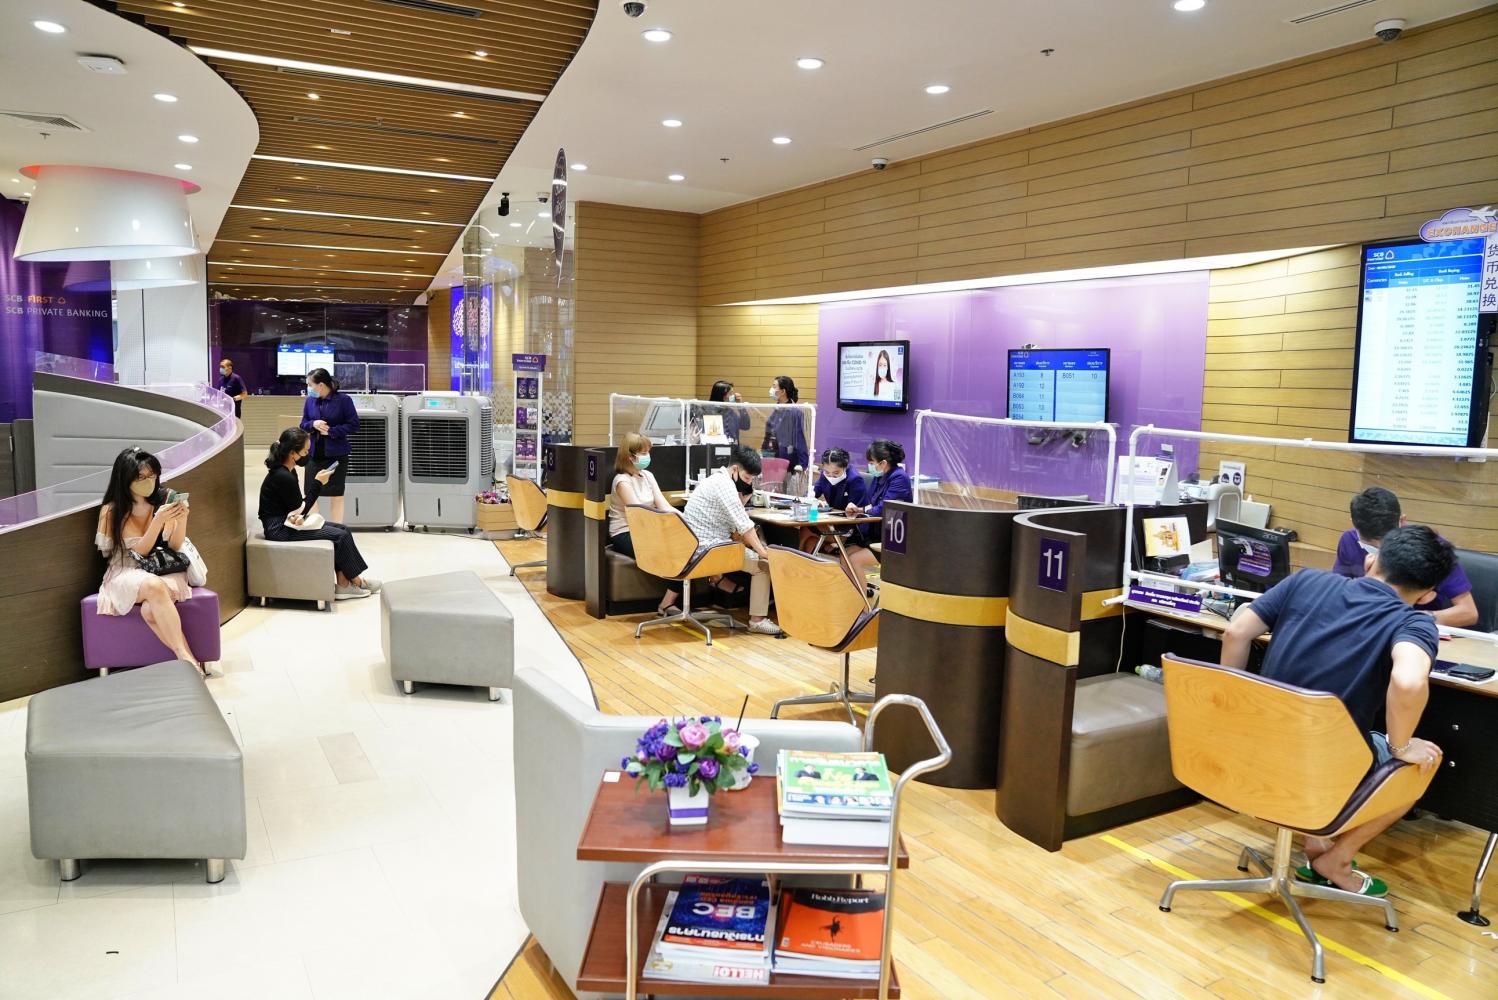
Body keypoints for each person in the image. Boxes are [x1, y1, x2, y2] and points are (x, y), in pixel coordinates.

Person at [1221, 525, 1454, 897]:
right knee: (1423, 762)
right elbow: (1409, 683)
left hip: (1251, 752)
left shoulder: (1305, 582)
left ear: (1370, 560)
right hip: (1321, 772)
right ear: (1427, 596)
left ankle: (1314, 841)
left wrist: (1232, 708)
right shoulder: (1414, 621)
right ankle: (1338, 859)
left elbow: (1236, 633)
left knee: (1324, 745)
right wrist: (1401, 746)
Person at [95, 447, 202, 671]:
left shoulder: (164, 498)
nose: (148, 481)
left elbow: (174, 545)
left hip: (162, 567)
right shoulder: (112, 510)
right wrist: (157, 521)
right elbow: (138, 553)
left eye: (152, 476)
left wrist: (182, 519)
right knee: (153, 587)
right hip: (125, 570)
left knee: (149, 610)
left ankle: (187, 661)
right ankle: (187, 660)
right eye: (141, 477)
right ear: (125, 478)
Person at [669, 443, 782, 635]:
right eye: (747, 477)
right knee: (763, 566)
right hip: (708, 550)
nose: (747, 482)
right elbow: (745, 526)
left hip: (694, 546)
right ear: (735, 469)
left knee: (756, 554)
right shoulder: (725, 486)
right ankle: (757, 620)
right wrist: (764, 553)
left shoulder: (714, 480)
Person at [260, 427, 380, 601]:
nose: (308, 454)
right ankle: (353, 583)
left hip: (287, 521)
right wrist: (318, 483)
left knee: (342, 529)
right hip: (279, 529)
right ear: (293, 453)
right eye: (305, 451)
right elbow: (302, 507)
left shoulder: (287, 471)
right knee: (339, 536)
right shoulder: (283, 476)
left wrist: (296, 514)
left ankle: (348, 583)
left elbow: (293, 507)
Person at [1331, 486, 1477, 628]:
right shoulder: (1349, 540)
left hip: (1413, 628)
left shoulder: (1433, 548)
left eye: (1387, 543)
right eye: (1371, 547)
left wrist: (1413, 619)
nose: (1379, 553)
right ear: (1355, 525)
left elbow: (1468, 612)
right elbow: (1339, 593)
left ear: (1403, 521)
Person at [843, 439, 914, 584]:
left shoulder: (899, 478)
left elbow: (884, 509)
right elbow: (872, 504)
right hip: (875, 534)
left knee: (854, 560)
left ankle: (864, 606)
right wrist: (859, 509)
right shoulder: (879, 477)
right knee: (845, 556)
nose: (870, 466)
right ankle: (852, 599)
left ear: (883, 463)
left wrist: (864, 510)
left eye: (872, 462)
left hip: (894, 539)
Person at [299, 367, 359, 525]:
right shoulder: (310, 401)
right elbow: (303, 424)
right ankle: (316, 526)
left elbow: (354, 425)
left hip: (336, 455)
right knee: (310, 492)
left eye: (310, 385)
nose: (308, 388)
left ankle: (337, 528)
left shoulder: (343, 400)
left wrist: (332, 431)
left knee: (336, 493)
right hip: (313, 454)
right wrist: (313, 423)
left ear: (321, 385)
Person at [609, 432, 675, 565]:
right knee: (663, 551)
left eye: (648, 452)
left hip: (647, 528)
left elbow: (664, 506)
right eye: (643, 453)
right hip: (625, 532)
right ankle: (671, 586)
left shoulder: (648, 475)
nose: (648, 456)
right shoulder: (622, 482)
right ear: (630, 457)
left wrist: (685, 520)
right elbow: (640, 515)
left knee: (680, 545)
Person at [799, 447, 867, 553]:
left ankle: (797, 564)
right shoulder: (824, 475)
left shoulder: (854, 480)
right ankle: (803, 565)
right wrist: (813, 499)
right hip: (832, 522)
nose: (831, 476)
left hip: (850, 528)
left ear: (845, 467)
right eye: (827, 472)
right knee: (810, 540)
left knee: (807, 529)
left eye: (836, 473)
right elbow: (812, 493)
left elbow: (853, 512)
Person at [761, 375, 808, 472]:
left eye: (774, 386)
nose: (771, 389)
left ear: (783, 391)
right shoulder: (777, 409)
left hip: (788, 463)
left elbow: (799, 439)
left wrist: (803, 464)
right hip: (773, 460)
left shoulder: (794, 412)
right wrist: (765, 456)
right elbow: (769, 437)